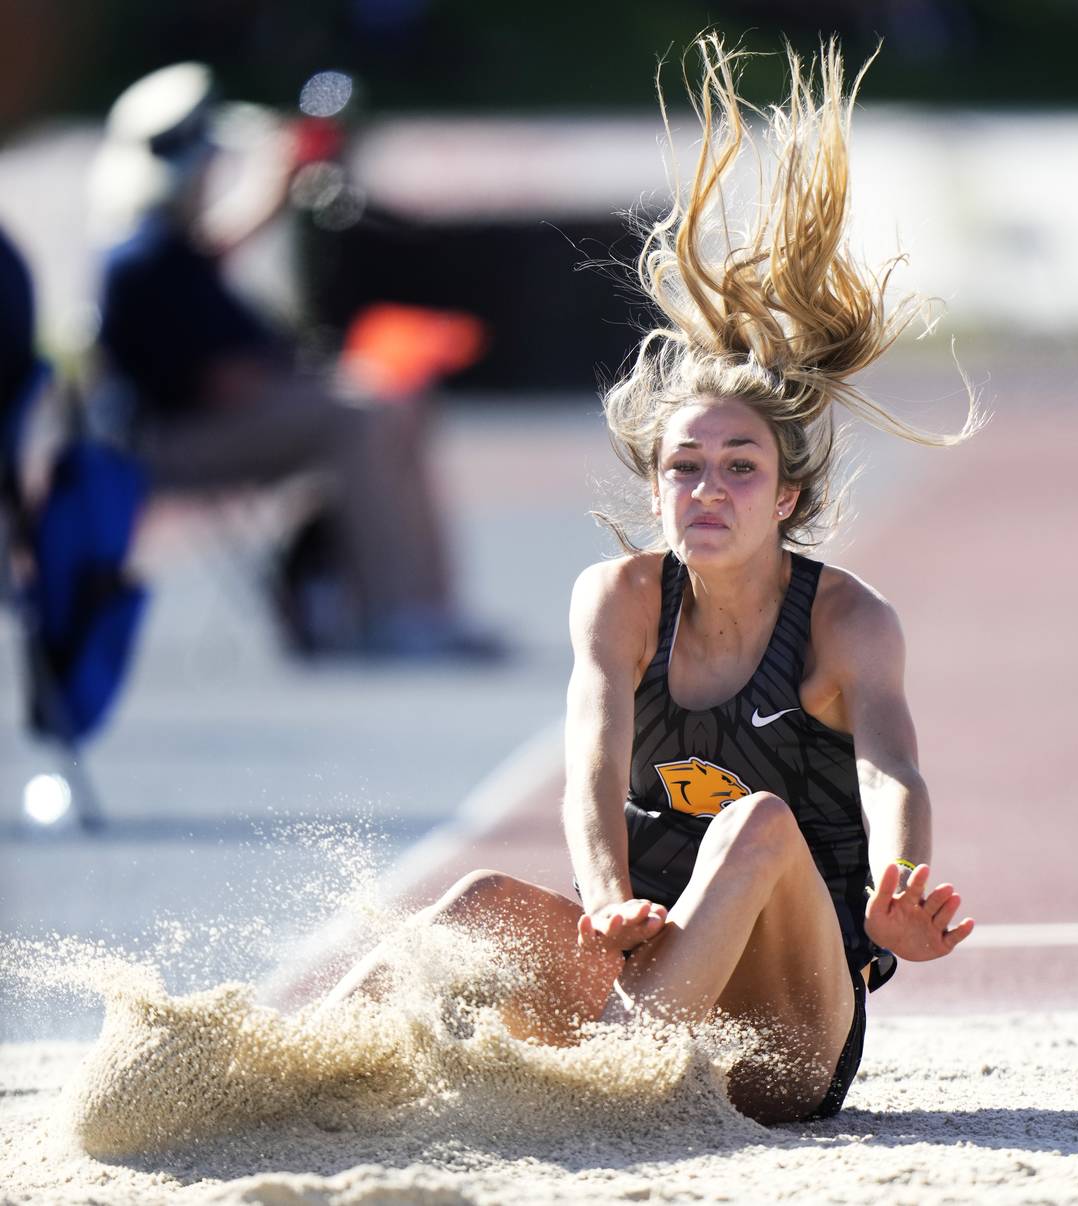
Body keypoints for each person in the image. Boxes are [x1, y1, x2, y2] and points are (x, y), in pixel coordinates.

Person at [324, 35, 979, 1124]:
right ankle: (267, 1072)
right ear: (657, 488)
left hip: (787, 1036)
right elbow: (591, 766)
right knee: (477, 902)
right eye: (685, 468)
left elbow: (892, 772)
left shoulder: (847, 621)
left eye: (739, 469)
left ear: (788, 499)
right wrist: (606, 902)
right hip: (652, 967)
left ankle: (618, 1086)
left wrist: (897, 888)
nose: (707, 490)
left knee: (761, 820)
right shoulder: (621, 600)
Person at [89, 62, 492, 657]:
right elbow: (222, 385)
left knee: (393, 399)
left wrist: (280, 180)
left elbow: (219, 249)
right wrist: (326, 380)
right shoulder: (144, 261)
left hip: (212, 422)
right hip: (171, 440)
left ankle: (429, 609)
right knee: (365, 413)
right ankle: (394, 613)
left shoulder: (168, 250)